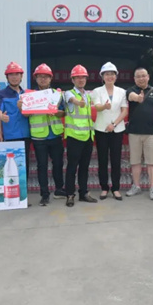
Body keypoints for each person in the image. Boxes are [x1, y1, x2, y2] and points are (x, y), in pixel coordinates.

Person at [29, 63, 66, 206]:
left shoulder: (57, 94)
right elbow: (25, 114)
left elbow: (63, 112)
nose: (43, 79)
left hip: (55, 134)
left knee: (58, 163)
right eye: (40, 77)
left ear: (50, 78)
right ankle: (44, 194)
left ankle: (59, 189)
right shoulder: (30, 96)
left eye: (46, 77)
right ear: (36, 79)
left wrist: (56, 112)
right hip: (39, 136)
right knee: (42, 166)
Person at [125, 67, 153, 200]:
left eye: (143, 76)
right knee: (135, 161)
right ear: (134, 79)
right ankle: (136, 186)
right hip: (134, 132)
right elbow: (131, 97)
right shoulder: (130, 90)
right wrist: (138, 98)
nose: (141, 78)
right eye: (138, 76)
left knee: (151, 162)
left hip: (150, 133)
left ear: (148, 77)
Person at [91, 62, 128, 201]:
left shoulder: (122, 91)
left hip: (117, 129)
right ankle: (104, 187)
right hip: (101, 129)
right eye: (107, 74)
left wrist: (114, 124)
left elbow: (124, 110)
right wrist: (104, 107)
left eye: (112, 74)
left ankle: (116, 188)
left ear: (116, 76)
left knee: (116, 159)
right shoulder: (97, 91)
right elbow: (97, 107)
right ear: (102, 76)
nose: (110, 76)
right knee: (102, 159)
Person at [63, 64, 97, 207]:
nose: (81, 80)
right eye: (77, 77)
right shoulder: (68, 93)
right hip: (75, 136)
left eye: (83, 77)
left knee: (84, 167)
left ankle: (83, 193)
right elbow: (73, 100)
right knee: (72, 167)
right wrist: (78, 102)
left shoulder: (87, 95)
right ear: (72, 80)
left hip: (88, 136)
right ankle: (70, 194)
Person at [0, 62, 32, 180]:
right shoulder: (1, 94)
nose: (14, 77)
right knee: (11, 166)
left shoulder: (27, 94)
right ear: (7, 77)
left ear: (21, 76)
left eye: (17, 74)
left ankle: (24, 190)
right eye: (11, 75)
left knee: (25, 165)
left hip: (26, 134)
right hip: (10, 136)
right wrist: (0, 128)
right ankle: (12, 189)